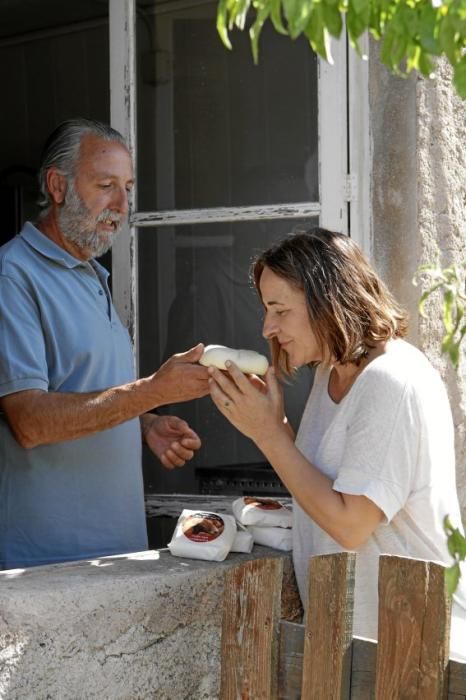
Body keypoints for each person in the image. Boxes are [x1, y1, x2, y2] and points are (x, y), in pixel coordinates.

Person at [207, 227, 466, 661]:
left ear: (327, 302)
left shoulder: (390, 380)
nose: (267, 327)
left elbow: (351, 523)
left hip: (414, 655)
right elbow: (319, 483)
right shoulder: (332, 373)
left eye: (279, 310)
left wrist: (269, 437)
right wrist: (274, 425)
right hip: (357, 650)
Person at [0, 118, 210, 570]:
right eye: (105, 185)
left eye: (128, 187)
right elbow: (29, 421)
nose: (122, 204)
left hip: (116, 555)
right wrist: (152, 390)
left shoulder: (91, 272)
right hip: (46, 567)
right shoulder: (13, 276)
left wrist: (144, 422)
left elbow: (88, 388)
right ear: (57, 186)